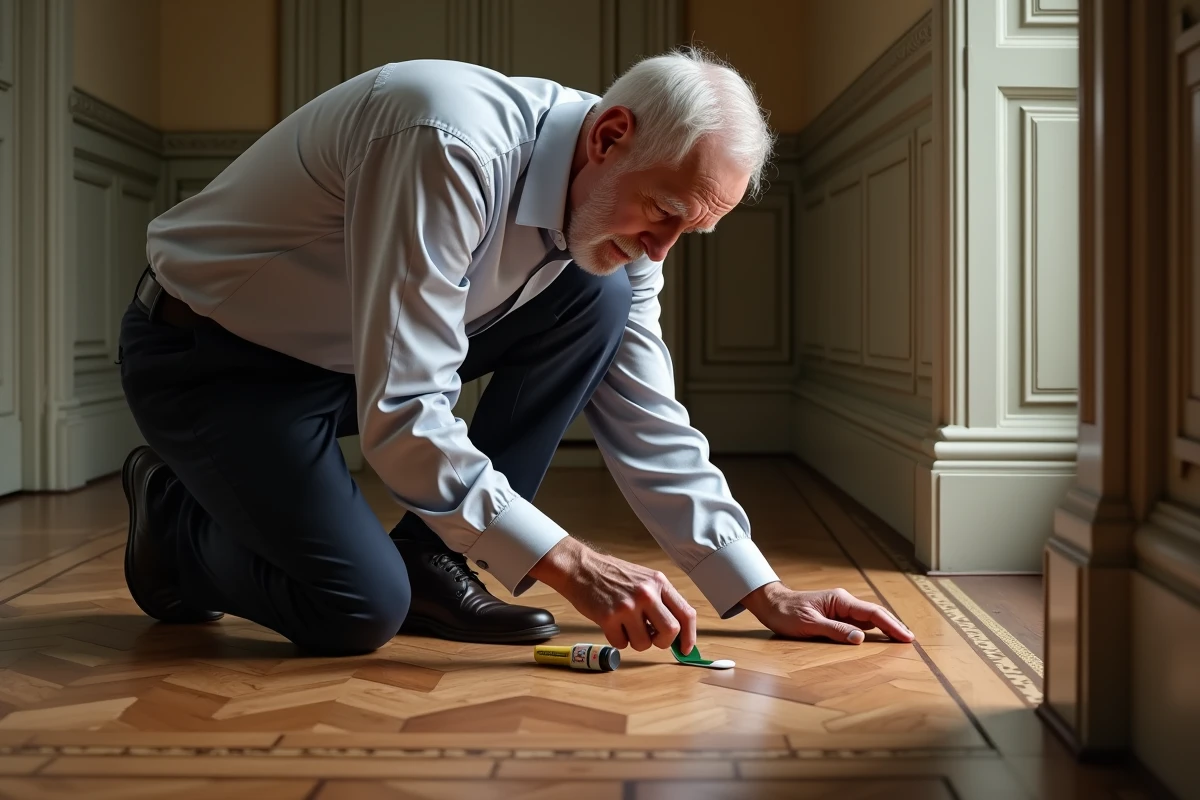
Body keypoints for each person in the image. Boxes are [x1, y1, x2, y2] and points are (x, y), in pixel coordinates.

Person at [118, 48, 914, 657]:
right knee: (356, 609)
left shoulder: (621, 236)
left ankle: (435, 560)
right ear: (609, 136)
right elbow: (405, 414)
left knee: (597, 296)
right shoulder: (446, 140)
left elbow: (647, 415)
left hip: (347, 363)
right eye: (663, 213)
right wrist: (569, 561)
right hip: (214, 364)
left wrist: (761, 590)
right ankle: (172, 517)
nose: (661, 251)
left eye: (688, 233)